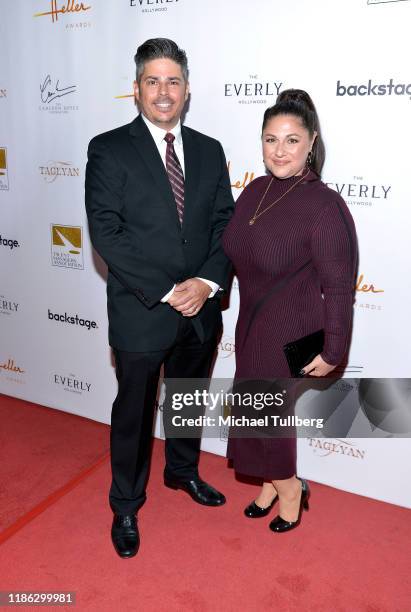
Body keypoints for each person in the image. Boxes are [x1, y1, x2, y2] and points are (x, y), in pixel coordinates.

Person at [85, 38, 234, 558]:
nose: (164, 92)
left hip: (201, 309)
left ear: (187, 90)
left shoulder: (211, 150)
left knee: (189, 398)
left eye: (173, 81)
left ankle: (183, 473)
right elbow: (107, 233)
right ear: (136, 89)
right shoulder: (108, 149)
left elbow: (225, 226)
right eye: (153, 81)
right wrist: (172, 290)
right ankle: (125, 503)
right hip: (144, 309)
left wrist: (207, 284)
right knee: (133, 410)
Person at [222, 89, 357, 533]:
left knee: (266, 413)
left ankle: (291, 489)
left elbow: (339, 286)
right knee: (249, 409)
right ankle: (269, 484)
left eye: (292, 140)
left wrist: (335, 347)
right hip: (251, 324)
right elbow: (235, 249)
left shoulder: (324, 206)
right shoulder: (256, 190)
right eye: (270, 139)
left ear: (312, 142)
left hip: (291, 331)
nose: (279, 151)